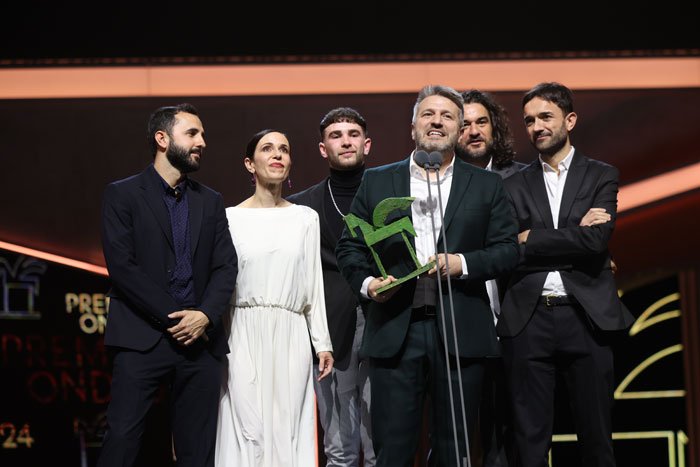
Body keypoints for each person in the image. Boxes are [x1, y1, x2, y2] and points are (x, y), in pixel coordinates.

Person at [336, 85, 519, 467]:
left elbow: (507, 250)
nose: (437, 121)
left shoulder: (486, 185)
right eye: (428, 114)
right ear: (413, 125)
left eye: (447, 116)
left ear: (458, 128)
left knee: (455, 452)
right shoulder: (377, 181)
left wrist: (462, 263)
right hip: (395, 330)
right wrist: (369, 286)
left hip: (460, 329)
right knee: (393, 450)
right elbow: (350, 247)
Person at [499, 82, 635, 467]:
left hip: (586, 315)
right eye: (529, 120)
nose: (536, 126)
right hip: (528, 318)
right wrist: (575, 233)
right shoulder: (510, 184)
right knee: (529, 443)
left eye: (545, 117)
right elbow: (509, 249)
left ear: (570, 120)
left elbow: (597, 241)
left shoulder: (601, 175)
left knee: (596, 440)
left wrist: (533, 238)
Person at [98, 103, 238, 467]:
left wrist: (204, 315)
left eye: (203, 134)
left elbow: (226, 266)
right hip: (142, 338)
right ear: (162, 139)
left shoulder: (211, 201)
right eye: (192, 133)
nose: (202, 142)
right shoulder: (123, 195)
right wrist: (179, 318)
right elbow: (123, 268)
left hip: (200, 342)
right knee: (123, 440)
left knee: (198, 449)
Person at [215, 129, 334, 467]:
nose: (277, 154)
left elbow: (313, 284)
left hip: (291, 332)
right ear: (250, 164)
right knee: (245, 426)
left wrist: (321, 342)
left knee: (288, 426)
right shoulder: (229, 218)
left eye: (284, 149)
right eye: (268, 149)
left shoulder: (304, 218)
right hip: (241, 331)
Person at [287, 108, 376, 466]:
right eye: (336, 135)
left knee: (379, 445)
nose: (345, 141)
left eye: (353, 134)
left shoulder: (389, 193)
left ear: (366, 144)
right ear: (323, 148)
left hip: (383, 323)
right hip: (327, 330)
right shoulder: (301, 206)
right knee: (338, 448)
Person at [456, 89, 524, 467]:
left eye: (482, 122)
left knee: (516, 432)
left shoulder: (521, 180)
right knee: (459, 433)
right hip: (463, 320)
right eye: (464, 124)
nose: (474, 131)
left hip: (518, 319)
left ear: (494, 128)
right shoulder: (439, 186)